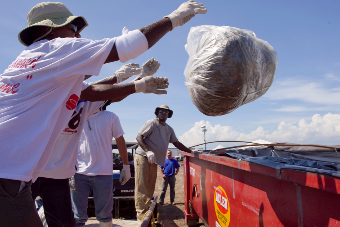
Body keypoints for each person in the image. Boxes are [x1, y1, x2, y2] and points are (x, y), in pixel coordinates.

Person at [0, 1, 206, 226]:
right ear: (50, 29)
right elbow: (127, 47)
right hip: (9, 175)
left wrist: (135, 83)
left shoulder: (26, 62)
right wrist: (174, 18)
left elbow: (92, 92)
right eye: (73, 29)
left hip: (20, 173)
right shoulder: (57, 47)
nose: (78, 36)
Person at [31, 58, 161, 227]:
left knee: (72, 220)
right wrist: (120, 77)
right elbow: (92, 90)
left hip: (63, 175)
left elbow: (106, 93)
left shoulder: (88, 109)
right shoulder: (45, 98)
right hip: (31, 172)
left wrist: (135, 81)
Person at [70, 108, 128, 227]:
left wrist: (126, 166)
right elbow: (68, 141)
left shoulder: (110, 117)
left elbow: (120, 140)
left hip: (103, 172)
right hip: (78, 172)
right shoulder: (76, 115)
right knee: (77, 215)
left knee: (105, 215)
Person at [135, 105, 192, 222]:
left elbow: (176, 143)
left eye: (166, 112)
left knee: (150, 186)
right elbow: (139, 137)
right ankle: (140, 215)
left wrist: (191, 151)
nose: (163, 113)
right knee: (142, 186)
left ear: (169, 115)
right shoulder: (152, 123)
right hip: (143, 156)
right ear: (157, 113)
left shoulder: (169, 129)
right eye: (161, 111)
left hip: (154, 160)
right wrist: (148, 151)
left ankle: (146, 211)